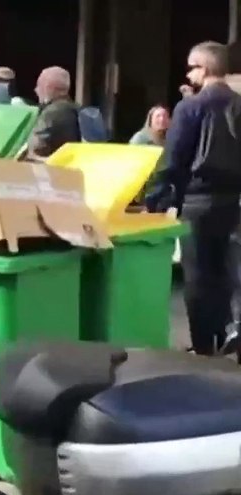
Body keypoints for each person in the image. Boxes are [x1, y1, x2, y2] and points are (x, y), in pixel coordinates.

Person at [145, 41, 241, 356]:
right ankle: (229, 332)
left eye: (192, 67)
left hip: (197, 202)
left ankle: (203, 345)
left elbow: (173, 160)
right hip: (234, 201)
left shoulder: (189, 108)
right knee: (227, 272)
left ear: (205, 68)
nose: (188, 74)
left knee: (198, 276)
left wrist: (156, 199)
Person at [25, 66, 81, 160]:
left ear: (48, 87)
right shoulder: (77, 109)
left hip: (55, 166)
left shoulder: (51, 113)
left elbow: (36, 148)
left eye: (39, 85)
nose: (36, 90)